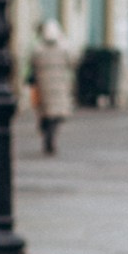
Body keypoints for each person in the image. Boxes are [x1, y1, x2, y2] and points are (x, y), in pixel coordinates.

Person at [31, 19, 74, 156]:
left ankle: (45, 130)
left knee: (45, 111)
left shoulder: (39, 48)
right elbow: (72, 61)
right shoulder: (63, 47)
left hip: (43, 84)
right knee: (56, 112)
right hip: (59, 84)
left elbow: (33, 62)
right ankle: (51, 136)